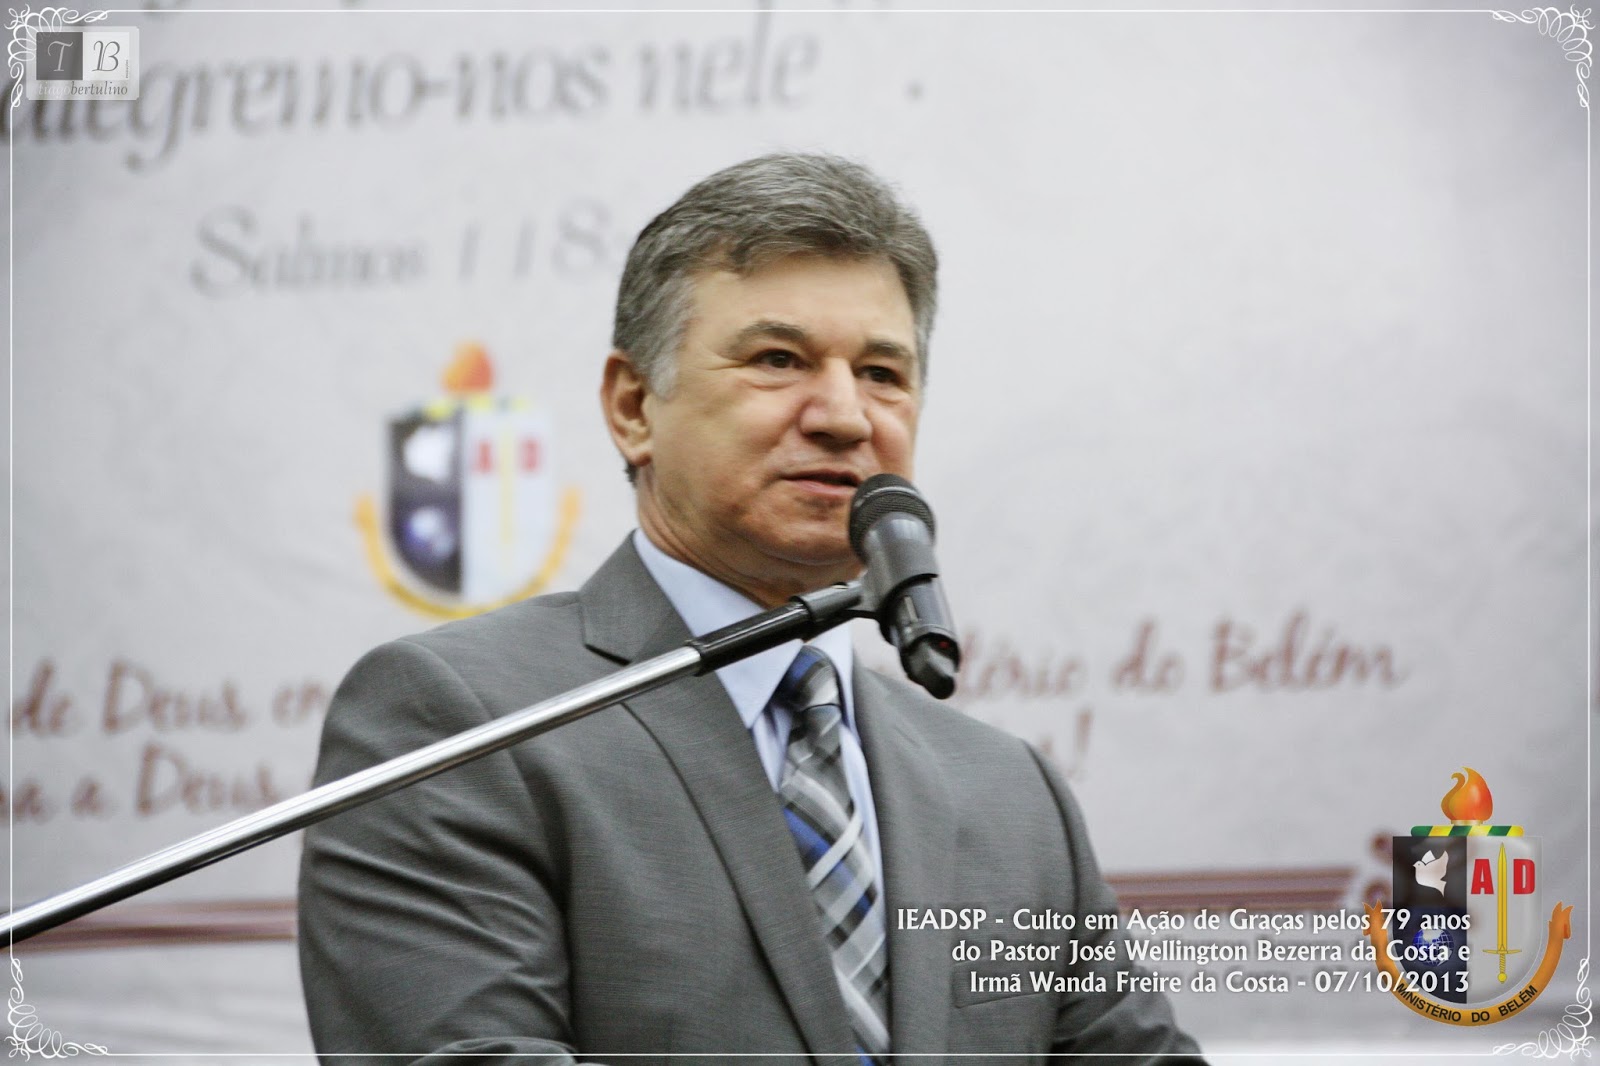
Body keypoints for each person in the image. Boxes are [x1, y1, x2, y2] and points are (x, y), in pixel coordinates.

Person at [297, 153, 1205, 1063]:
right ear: (632, 407)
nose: (846, 416)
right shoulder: (461, 722)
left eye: (883, 373)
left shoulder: (1011, 795)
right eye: (778, 360)